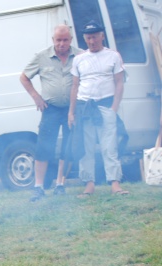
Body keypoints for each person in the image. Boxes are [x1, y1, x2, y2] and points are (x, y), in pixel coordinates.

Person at [20, 24, 83, 201]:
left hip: (72, 108)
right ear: (53, 40)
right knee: (44, 146)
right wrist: (36, 97)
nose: (62, 44)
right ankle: (38, 187)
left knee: (68, 145)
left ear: (70, 40)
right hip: (51, 108)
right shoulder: (41, 57)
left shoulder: (80, 55)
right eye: (58, 40)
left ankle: (60, 184)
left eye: (65, 40)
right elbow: (24, 77)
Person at [68, 21, 129, 197]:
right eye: (88, 38)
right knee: (85, 147)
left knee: (109, 146)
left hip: (106, 105)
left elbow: (119, 82)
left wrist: (114, 107)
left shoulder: (113, 56)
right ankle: (89, 184)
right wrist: (71, 112)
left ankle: (115, 184)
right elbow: (74, 86)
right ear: (84, 39)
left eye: (94, 37)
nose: (91, 41)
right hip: (84, 106)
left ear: (102, 36)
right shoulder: (79, 59)